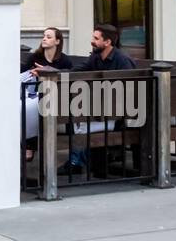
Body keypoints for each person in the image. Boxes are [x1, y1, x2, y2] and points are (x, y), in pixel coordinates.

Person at [59, 23, 137, 176]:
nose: (92, 41)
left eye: (96, 38)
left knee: (79, 124)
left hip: (118, 114)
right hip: (99, 109)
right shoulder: (95, 57)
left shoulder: (122, 61)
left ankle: (76, 162)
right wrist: (54, 72)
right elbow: (77, 71)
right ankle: (80, 162)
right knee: (75, 117)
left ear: (107, 42)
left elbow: (129, 93)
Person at [22, 27, 73, 161]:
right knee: (27, 107)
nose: (44, 38)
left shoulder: (64, 60)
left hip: (55, 97)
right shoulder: (35, 57)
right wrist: (33, 72)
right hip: (32, 93)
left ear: (57, 41)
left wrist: (46, 71)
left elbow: (69, 77)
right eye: (44, 36)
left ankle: (29, 147)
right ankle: (26, 144)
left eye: (49, 37)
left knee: (33, 108)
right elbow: (22, 73)